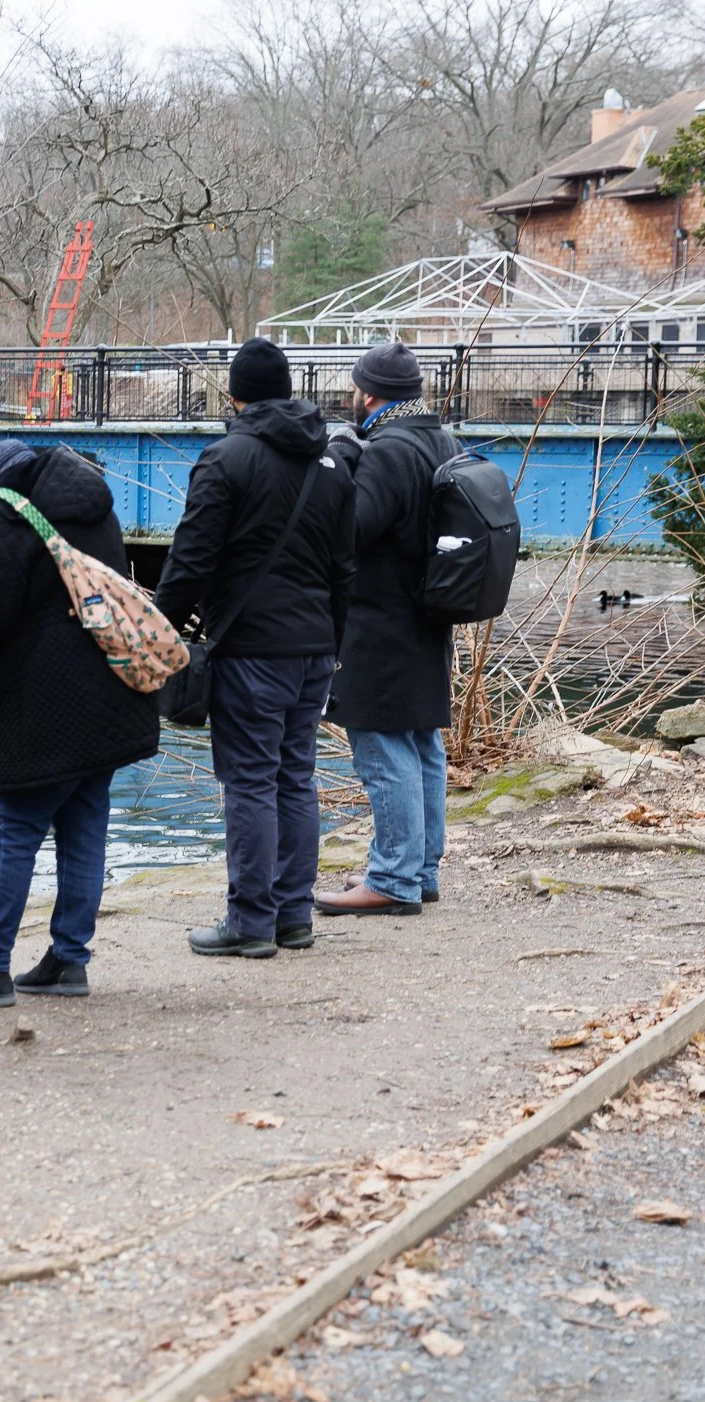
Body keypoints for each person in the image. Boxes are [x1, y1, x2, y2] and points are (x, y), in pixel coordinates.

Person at [0, 425, 160, 1008]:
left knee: (11, 828)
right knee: (84, 824)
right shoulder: (85, 492)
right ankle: (69, 959)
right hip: (109, 695)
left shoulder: (3, 508)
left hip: (44, 709)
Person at [155, 337, 358, 959]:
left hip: (250, 651)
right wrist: (334, 642)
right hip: (314, 650)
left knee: (248, 781)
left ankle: (249, 922)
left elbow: (190, 560)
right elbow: (344, 569)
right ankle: (293, 916)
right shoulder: (331, 463)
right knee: (295, 778)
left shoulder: (225, 459)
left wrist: (158, 633)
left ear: (236, 396)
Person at [319, 340, 458, 917]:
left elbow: (352, 531)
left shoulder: (387, 450)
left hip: (381, 620)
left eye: (356, 389)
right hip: (429, 616)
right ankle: (420, 869)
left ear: (369, 393)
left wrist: (343, 459)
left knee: (379, 745)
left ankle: (393, 878)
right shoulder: (441, 439)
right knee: (422, 741)